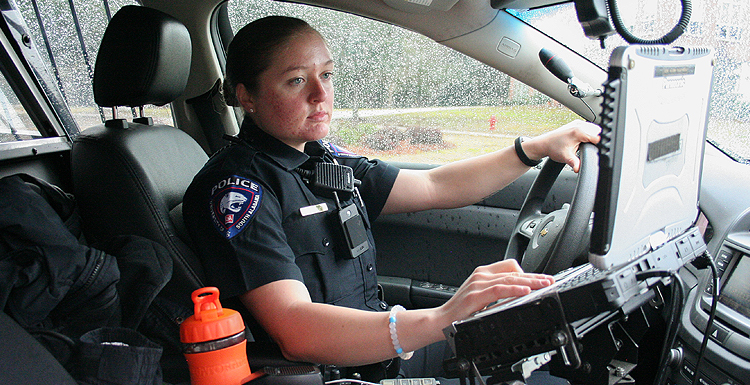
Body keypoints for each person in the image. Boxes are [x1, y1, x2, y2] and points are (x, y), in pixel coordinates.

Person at [182, 15, 600, 383]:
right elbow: (295, 331)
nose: (320, 94)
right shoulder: (236, 190)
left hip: (382, 355)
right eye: (296, 80)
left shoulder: (322, 161)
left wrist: (536, 147)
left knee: (555, 354)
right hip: (335, 373)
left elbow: (436, 186)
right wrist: (440, 319)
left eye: (326, 75)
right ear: (247, 97)